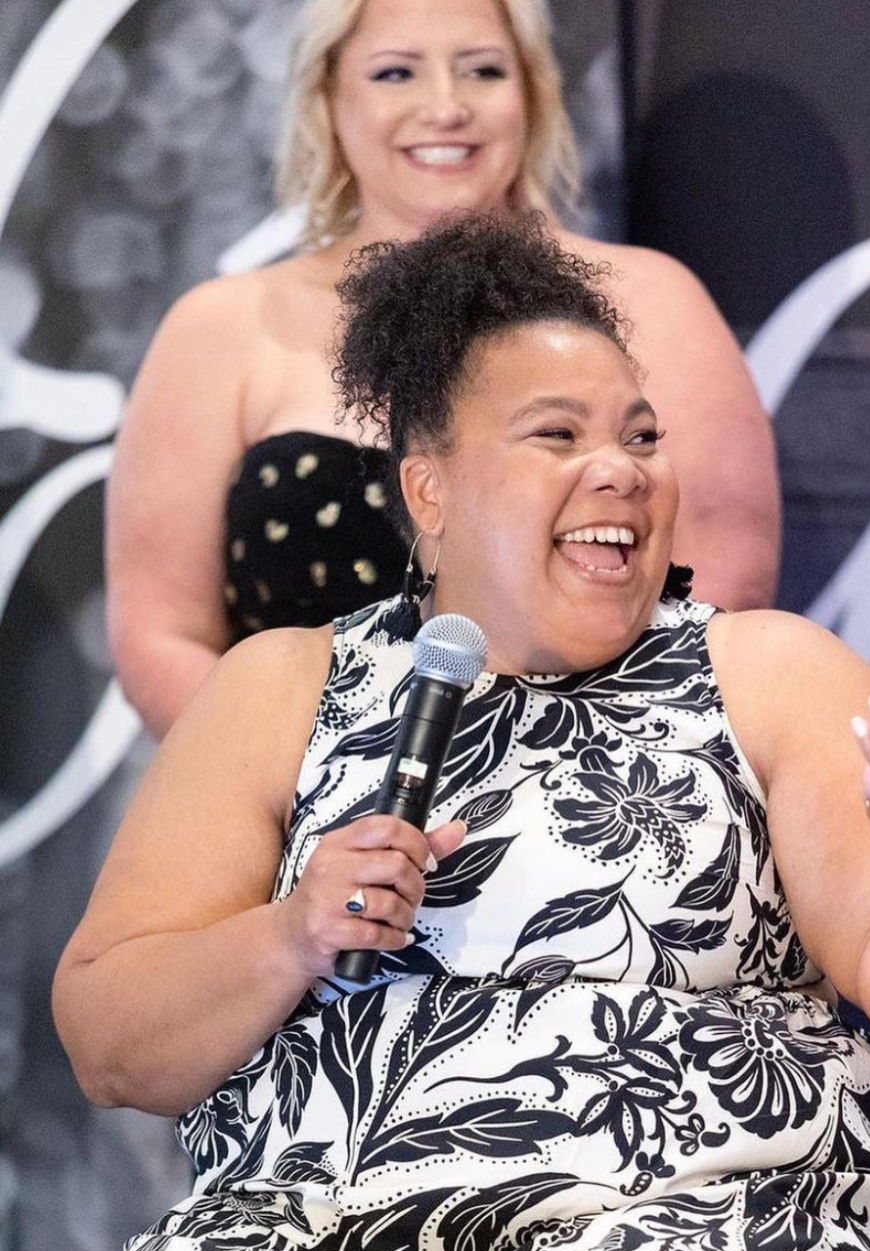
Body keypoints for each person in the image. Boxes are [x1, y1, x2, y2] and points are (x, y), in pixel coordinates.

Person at [46, 214, 870, 1251]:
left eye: (640, 437)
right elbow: (112, 1045)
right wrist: (289, 937)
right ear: (429, 488)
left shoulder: (766, 672)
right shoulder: (280, 688)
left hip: (707, 1244)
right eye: (557, 436)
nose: (620, 470)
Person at [107, 0, 781, 739]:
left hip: (600, 781)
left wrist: (546, 775)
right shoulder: (221, 327)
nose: (445, 107)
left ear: (531, 92)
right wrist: (305, 783)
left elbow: (726, 586)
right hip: (283, 794)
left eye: (482, 71)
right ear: (328, 98)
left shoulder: (652, 300)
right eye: (396, 73)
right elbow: (162, 634)